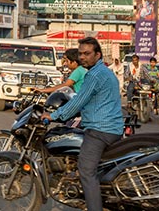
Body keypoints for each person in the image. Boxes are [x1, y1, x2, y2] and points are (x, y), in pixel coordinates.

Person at [41, 37, 123, 211]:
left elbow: (79, 102)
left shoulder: (94, 75)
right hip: (110, 127)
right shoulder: (104, 72)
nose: (83, 57)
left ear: (98, 55)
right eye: (80, 54)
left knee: (86, 171)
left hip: (100, 130)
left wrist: (53, 116)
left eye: (87, 53)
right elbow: (90, 101)